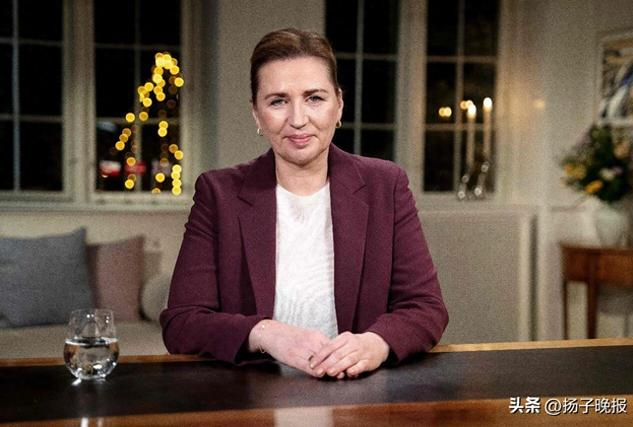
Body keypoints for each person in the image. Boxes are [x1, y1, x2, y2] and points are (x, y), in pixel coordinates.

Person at [160, 28, 448, 379]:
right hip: (253, 397)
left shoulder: (385, 185)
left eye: (314, 98)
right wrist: (264, 334)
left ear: (338, 105)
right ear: (256, 113)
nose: (298, 119)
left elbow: (425, 308)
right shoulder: (219, 194)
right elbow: (182, 323)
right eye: (278, 101)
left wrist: (375, 343)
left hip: (359, 395)